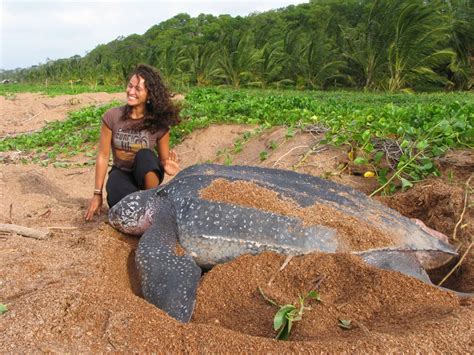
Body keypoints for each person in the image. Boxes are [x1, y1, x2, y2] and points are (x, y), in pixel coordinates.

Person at [85, 64, 180, 221]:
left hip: (146, 175)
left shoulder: (158, 124)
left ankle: (154, 203)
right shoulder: (112, 117)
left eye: (138, 89)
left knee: (145, 155)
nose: (131, 91)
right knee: (116, 193)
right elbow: (103, 156)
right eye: (130, 86)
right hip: (121, 172)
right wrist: (97, 193)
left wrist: (167, 166)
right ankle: (140, 207)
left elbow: (162, 159)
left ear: (149, 95)